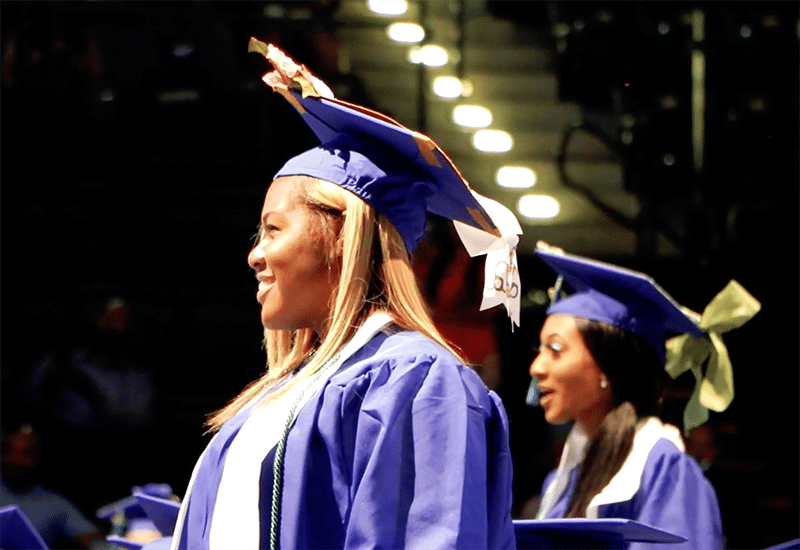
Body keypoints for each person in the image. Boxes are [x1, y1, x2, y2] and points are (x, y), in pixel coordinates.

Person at [151, 42, 522, 550]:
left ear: (344, 236)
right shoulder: (278, 396)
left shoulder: (414, 382)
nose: (255, 256)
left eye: (273, 230)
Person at [527, 244, 760, 549]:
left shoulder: (664, 470)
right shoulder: (562, 480)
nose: (536, 367)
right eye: (539, 350)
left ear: (608, 367)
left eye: (555, 350)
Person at [0, 420, 113, 550]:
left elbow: (93, 540)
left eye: (27, 453)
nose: (17, 459)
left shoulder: (54, 503)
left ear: (38, 457)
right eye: (9, 451)